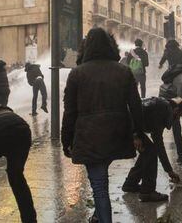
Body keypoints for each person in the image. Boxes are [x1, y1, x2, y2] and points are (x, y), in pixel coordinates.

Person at [61, 28, 144, 223]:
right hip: (117, 133)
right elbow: (136, 105)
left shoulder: (77, 73)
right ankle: (98, 216)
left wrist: (66, 140)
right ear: (110, 45)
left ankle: (102, 217)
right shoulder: (124, 71)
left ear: (85, 47)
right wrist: (138, 132)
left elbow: (70, 112)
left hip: (89, 136)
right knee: (101, 178)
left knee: (99, 187)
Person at [122, 97, 182, 202]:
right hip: (126, 126)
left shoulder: (163, 108)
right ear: (176, 111)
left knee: (148, 150)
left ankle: (131, 184)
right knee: (150, 151)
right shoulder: (162, 111)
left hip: (127, 126)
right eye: (180, 116)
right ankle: (148, 192)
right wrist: (135, 136)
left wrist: (169, 170)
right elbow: (131, 113)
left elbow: (158, 144)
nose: (178, 119)